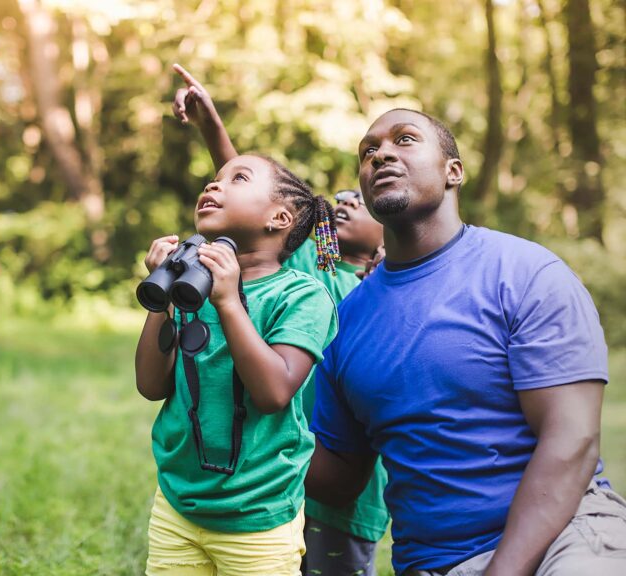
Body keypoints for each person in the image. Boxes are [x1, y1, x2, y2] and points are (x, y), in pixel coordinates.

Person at [306, 107, 626, 575]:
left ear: (452, 171)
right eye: (369, 151)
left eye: (405, 140)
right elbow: (340, 480)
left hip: (567, 535)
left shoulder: (524, 273)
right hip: (435, 562)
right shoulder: (346, 321)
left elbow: (572, 440)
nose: (382, 155)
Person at [171, 63, 390, 576]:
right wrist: (212, 129)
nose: (345, 200)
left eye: (362, 201)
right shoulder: (315, 264)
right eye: (342, 197)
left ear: (392, 231)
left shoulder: (385, 291)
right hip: (274, 465)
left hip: (345, 487)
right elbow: (258, 208)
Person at [135, 151, 340, 575]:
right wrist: (161, 300)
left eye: (238, 178)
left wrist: (228, 300)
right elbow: (151, 385)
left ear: (280, 218)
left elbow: (273, 392)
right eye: (214, 178)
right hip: (179, 503)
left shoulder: (301, 296)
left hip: (257, 513)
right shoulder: (190, 285)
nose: (213, 185)